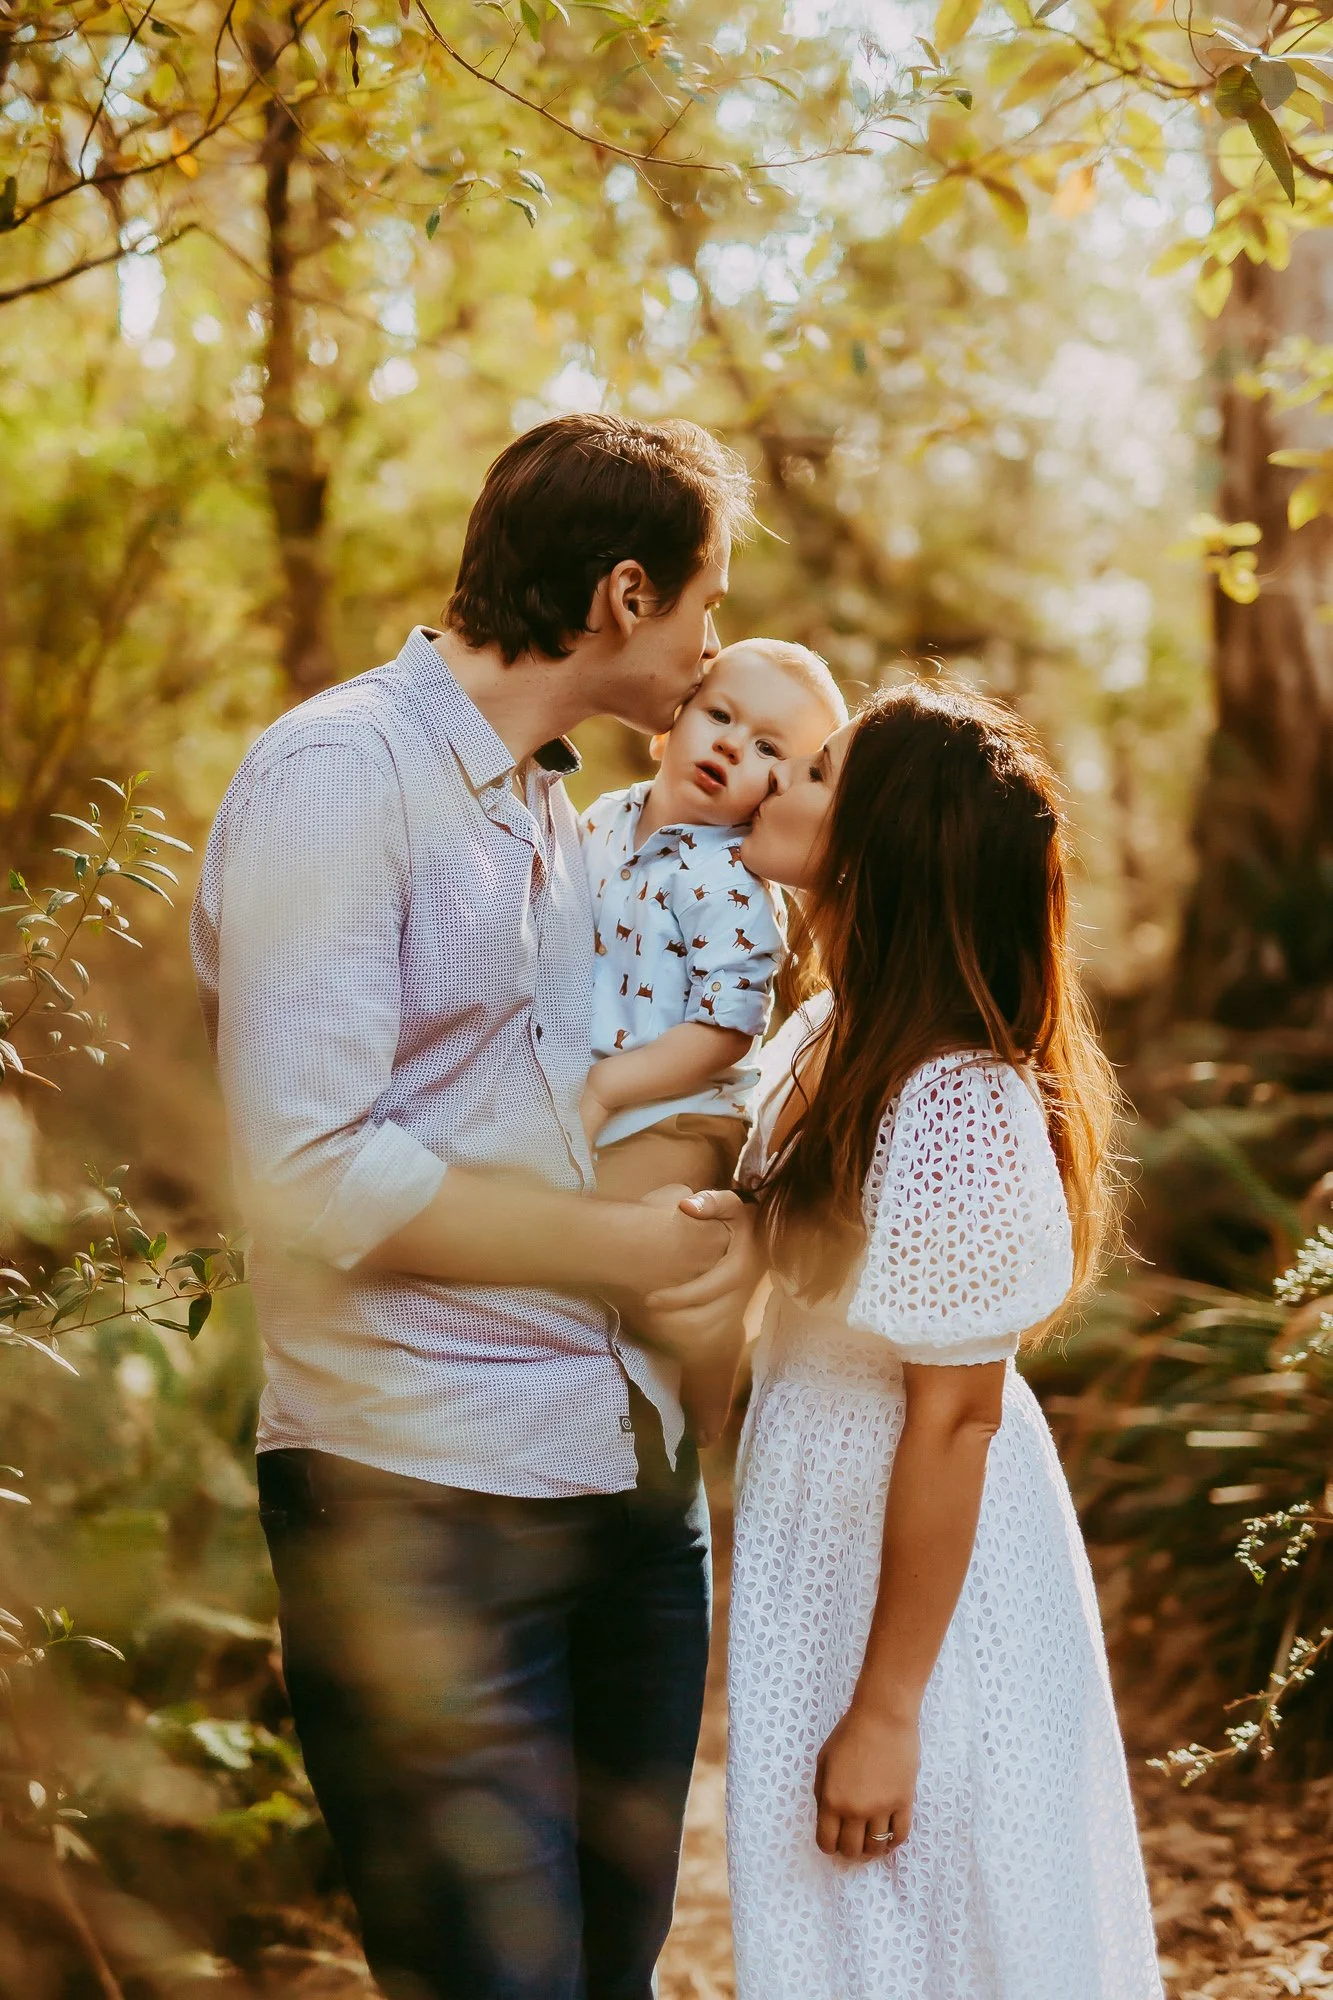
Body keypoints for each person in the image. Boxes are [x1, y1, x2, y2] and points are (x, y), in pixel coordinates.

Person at [190, 413, 761, 2000]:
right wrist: (615, 1248)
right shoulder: (336, 776)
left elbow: (593, 1106)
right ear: (625, 593)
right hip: (420, 1497)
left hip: (630, 1491)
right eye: (707, 606)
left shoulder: (564, 825)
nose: (712, 647)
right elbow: (306, 1172)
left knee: (606, 1980)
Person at [677, 683, 1163, 1998]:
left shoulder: (954, 1099)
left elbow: (956, 1413)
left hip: (924, 1586)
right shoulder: (832, 1036)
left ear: (882, 844)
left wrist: (889, 1709)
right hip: (830, 1531)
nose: (777, 779)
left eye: (820, 773)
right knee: (853, 1929)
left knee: (935, 1919)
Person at [578, 638, 846, 1438]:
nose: (731, 744)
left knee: (664, 1233)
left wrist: (608, 1088)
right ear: (669, 726)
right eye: (719, 716)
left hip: (678, 1111)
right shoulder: (600, 818)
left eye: (769, 749)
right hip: (590, 1092)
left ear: (772, 796)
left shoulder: (729, 882)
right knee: (558, 1242)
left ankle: (699, 1403)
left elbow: (728, 1028)